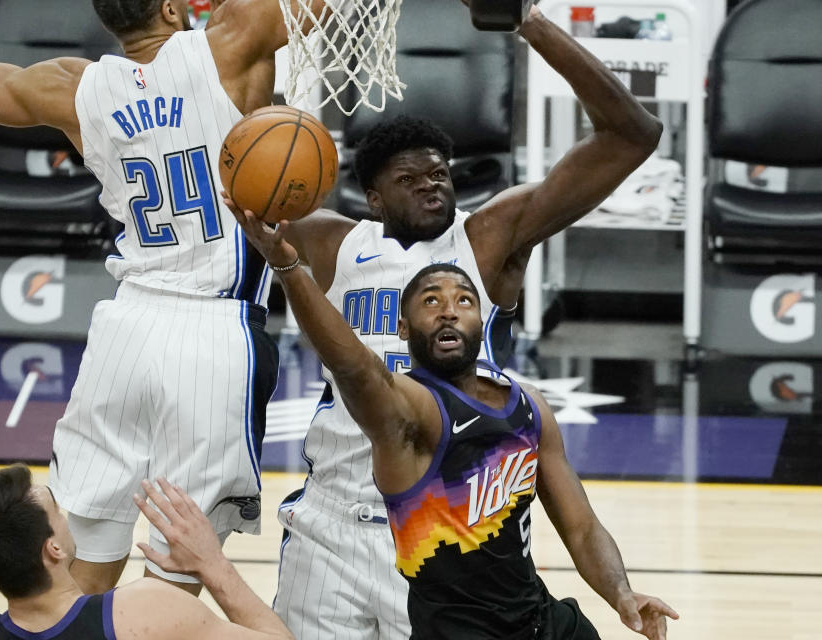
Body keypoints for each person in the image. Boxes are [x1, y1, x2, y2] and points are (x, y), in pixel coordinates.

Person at [0, 0, 329, 594]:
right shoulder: (229, 41)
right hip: (214, 338)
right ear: (172, 7)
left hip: (123, 334)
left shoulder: (74, 86)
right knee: (170, 584)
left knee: (79, 585)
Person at [256, 5, 663, 637]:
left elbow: (632, 136)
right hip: (331, 524)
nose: (431, 186)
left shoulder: (487, 241)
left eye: (440, 174)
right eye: (409, 178)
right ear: (373, 197)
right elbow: (240, 181)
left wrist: (529, 22)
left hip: (443, 532)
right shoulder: (330, 241)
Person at [234, 202, 681, 639]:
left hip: (542, 623)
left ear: (479, 317)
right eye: (432, 301)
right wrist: (290, 269)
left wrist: (621, 594)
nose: (449, 309)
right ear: (403, 329)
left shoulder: (528, 405)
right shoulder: (406, 410)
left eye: (463, 300)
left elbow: (581, 527)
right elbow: (353, 365)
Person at [0, 458, 294, 639]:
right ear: (53, 549)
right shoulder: (144, 613)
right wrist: (212, 564)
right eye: (57, 510)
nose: (65, 513)